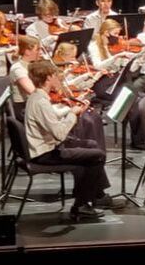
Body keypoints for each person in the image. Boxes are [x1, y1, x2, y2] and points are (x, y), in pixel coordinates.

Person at [24, 60, 115, 219]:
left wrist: (72, 110)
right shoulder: (41, 102)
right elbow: (59, 134)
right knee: (98, 155)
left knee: (91, 145)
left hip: (48, 147)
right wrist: (72, 114)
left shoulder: (38, 97)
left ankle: (89, 197)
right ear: (49, 78)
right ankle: (81, 204)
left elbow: (52, 118)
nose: (59, 78)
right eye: (56, 76)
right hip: (46, 153)